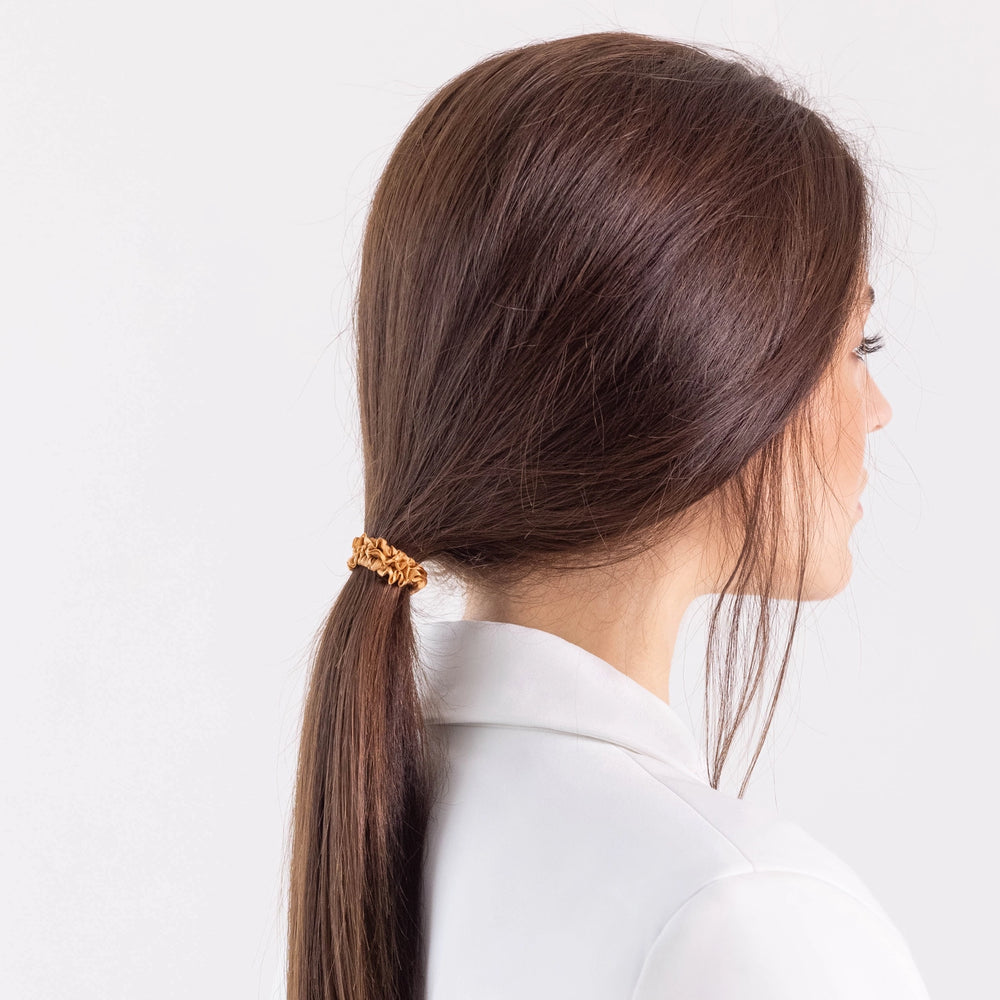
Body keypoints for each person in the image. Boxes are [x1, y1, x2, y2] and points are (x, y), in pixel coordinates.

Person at [285, 30, 932, 1000]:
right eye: (853, 345)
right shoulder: (743, 918)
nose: (877, 410)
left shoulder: (394, 821)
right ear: (707, 377)